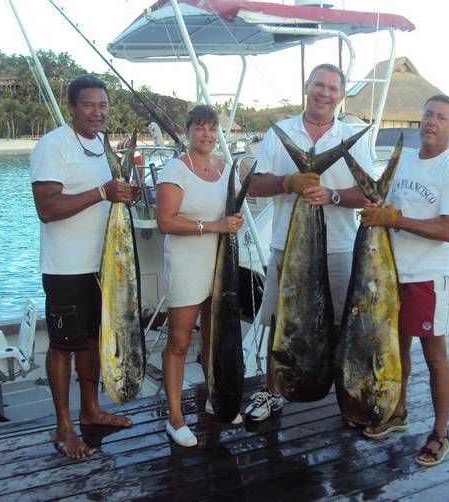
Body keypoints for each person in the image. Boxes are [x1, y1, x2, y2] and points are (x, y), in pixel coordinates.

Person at [245, 63, 374, 421]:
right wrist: (289, 182)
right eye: (319, 85)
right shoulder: (281, 132)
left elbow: (368, 194)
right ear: (307, 86)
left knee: (343, 325)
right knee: (278, 322)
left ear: (341, 95)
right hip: (288, 249)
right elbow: (255, 185)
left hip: (340, 249)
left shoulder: (352, 137)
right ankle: (272, 392)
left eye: (333, 88)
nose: (324, 93)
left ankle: (347, 394)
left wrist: (331, 194)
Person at [360, 95, 449, 467]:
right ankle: (398, 411)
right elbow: (392, 211)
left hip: (429, 276)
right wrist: (377, 214)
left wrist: (395, 220)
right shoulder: (406, 161)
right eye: (427, 115)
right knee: (398, 348)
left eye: (441, 118)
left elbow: (447, 230)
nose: (431, 122)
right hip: (393, 273)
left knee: (435, 353)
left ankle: (441, 433)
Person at [30, 74, 133, 459]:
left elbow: (106, 201)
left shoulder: (101, 147)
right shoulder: (52, 146)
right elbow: (47, 209)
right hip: (65, 267)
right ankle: (63, 426)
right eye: (88, 105)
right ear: (72, 107)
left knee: (91, 339)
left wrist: (120, 195)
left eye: (102, 105)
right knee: (62, 345)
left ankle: (90, 410)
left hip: (102, 266)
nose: (97, 112)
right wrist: (102, 192)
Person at [156, 105, 244, 447]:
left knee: (213, 338)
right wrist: (214, 226)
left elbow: (226, 217)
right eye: (200, 128)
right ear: (188, 130)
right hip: (186, 265)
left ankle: (215, 399)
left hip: (219, 265)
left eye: (212, 128)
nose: (207, 134)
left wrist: (230, 223)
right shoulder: (176, 169)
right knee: (178, 343)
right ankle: (175, 418)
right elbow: (166, 221)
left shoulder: (224, 169)